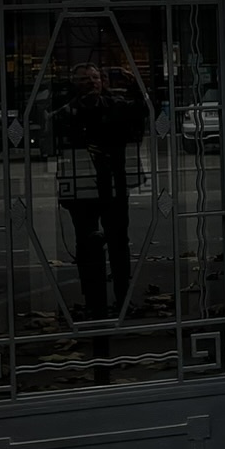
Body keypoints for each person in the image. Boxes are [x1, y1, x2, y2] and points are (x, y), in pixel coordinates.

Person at [56, 64, 143, 321]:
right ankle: (94, 302)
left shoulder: (115, 105)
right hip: (82, 186)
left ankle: (123, 298)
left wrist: (135, 86)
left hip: (112, 184)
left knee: (118, 242)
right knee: (86, 244)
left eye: (95, 78)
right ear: (75, 84)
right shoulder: (67, 112)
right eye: (85, 79)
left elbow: (143, 112)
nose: (92, 82)